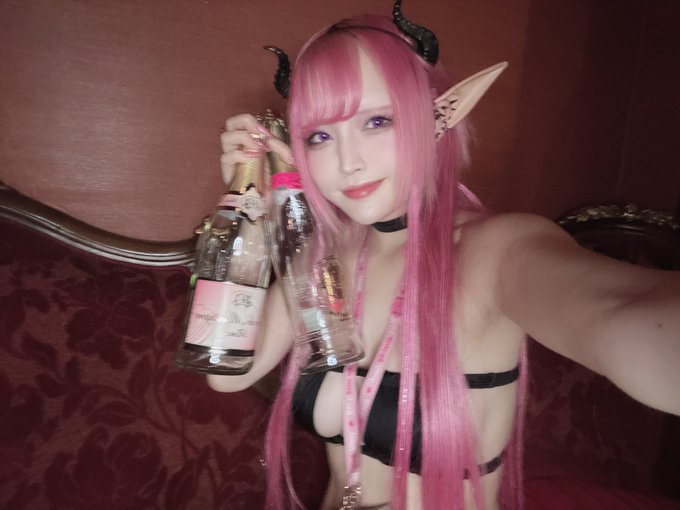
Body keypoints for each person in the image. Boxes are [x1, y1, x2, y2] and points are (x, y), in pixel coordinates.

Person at [207, 3, 680, 509]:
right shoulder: (325, 258)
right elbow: (226, 370)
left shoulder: (495, 250)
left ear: (434, 119)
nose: (348, 162)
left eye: (378, 121)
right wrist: (251, 206)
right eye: (320, 136)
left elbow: (625, 317)